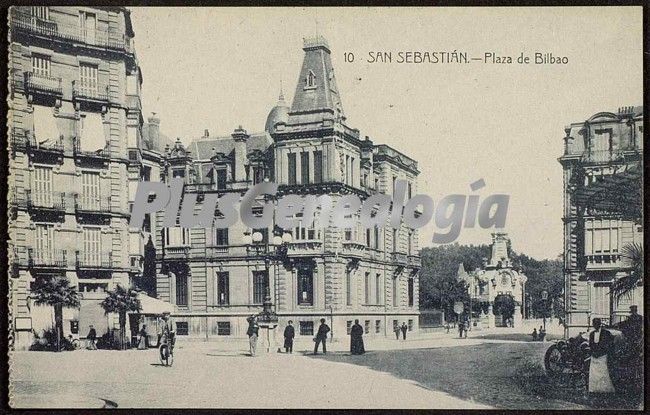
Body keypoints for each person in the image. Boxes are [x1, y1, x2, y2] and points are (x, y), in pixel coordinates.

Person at [588, 317, 615, 394]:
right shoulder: (591, 334)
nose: (595, 325)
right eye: (594, 323)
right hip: (594, 356)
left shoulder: (606, 333)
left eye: (597, 323)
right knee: (594, 373)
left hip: (602, 356)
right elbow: (591, 344)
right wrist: (593, 352)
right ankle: (594, 389)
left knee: (603, 372)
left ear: (600, 324)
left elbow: (608, 345)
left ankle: (604, 389)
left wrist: (601, 352)